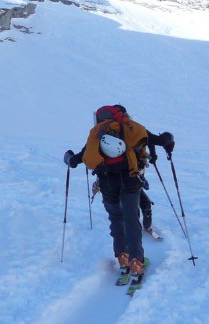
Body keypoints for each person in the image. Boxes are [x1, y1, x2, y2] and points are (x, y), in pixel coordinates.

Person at [64, 104, 175, 285]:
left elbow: (78, 159)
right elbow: (159, 140)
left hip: (107, 183)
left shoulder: (97, 133)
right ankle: (136, 263)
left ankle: (123, 258)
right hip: (130, 181)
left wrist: (68, 157)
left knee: (116, 218)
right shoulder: (132, 128)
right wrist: (168, 138)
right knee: (131, 220)